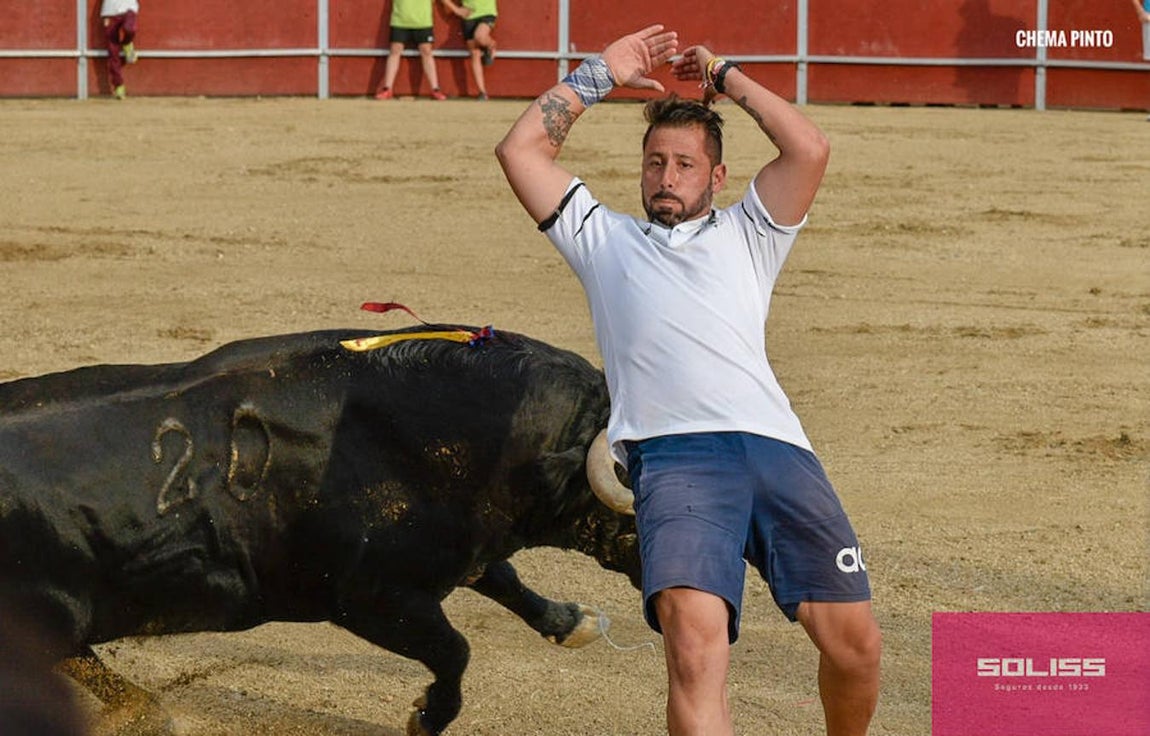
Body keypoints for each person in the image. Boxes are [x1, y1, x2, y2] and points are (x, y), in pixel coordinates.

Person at [496, 25, 881, 736]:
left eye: (683, 164)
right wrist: (602, 72)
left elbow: (809, 147)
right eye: (654, 163)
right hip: (676, 460)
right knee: (696, 653)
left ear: (716, 177)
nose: (666, 177)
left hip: (778, 452)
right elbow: (521, 149)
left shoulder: (752, 231)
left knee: (855, 646)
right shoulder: (602, 238)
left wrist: (726, 74)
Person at [374, 0, 449, 100]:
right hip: (400, 19)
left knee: (426, 51)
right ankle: (387, 89)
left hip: (422, 21)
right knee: (395, 50)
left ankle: (435, 89)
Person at [441, 0, 498, 100]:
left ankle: (491, 45)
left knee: (480, 36)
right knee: (474, 53)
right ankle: (482, 91)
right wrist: (456, 10)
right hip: (469, 16)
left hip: (487, 12)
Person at [100, 0, 139, 100]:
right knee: (113, 51)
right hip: (109, 11)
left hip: (128, 7)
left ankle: (127, 43)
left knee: (130, 29)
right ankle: (118, 85)